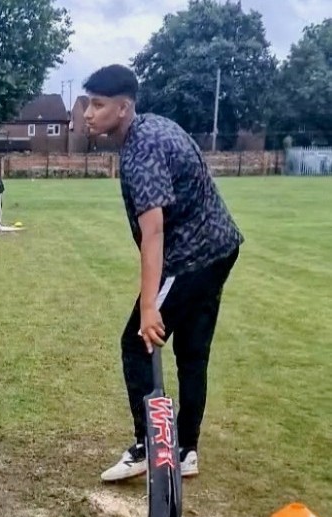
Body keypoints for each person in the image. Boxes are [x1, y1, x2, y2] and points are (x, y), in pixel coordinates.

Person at [82, 65, 243, 483]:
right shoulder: (154, 127)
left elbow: (154, 230)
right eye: (88, 104)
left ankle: (150, 446)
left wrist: (150, 306)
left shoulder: (141, 149)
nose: (88, 114)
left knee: (137, 342)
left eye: (98, 105)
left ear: (123, 108)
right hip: (220, 248)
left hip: (190, 256)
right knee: (192, 352)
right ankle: (186, 450)